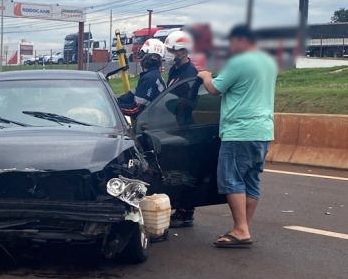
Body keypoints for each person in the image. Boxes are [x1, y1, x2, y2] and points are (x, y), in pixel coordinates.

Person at [197, 24, 278, 248]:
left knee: (232, 179)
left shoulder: (239, 62)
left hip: (239, 132)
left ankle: (241, 230)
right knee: (251, 179)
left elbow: (215, 88)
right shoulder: (269, 62)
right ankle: (243, 227)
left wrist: (205, 76)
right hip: (263, 131)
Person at [164, 30, 200, 228]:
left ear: (183, 51)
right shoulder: (175, 71)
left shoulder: (190, 74)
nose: (170, 53)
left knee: (185, 170)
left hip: (185, 127)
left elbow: (188, 101)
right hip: (171, 125)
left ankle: (186, 211)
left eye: (172, 50)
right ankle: (177, 206)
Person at [117, 38, 166, 117]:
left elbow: (136, 110)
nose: (140, 59)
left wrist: (114, 108)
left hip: (150, 125)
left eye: (143, 55)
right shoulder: (152, 76)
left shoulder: (150, 78)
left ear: (151, 58)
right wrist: (115, 101)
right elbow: (132, 95)